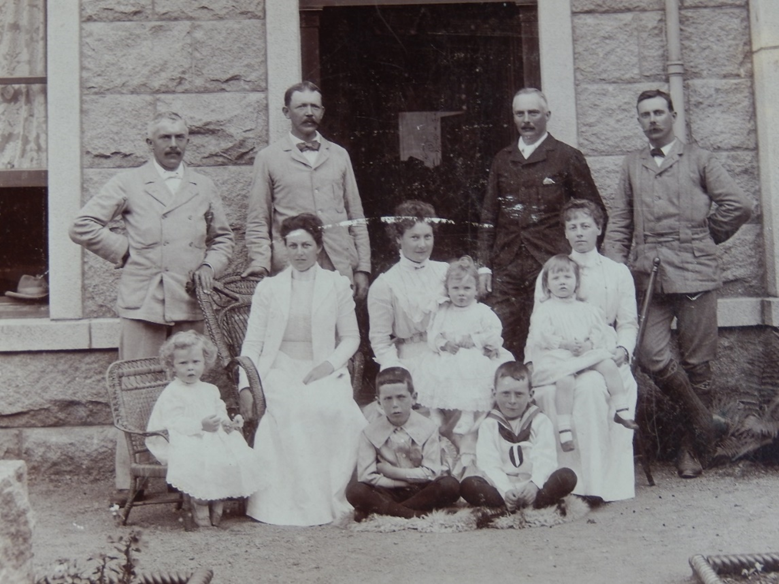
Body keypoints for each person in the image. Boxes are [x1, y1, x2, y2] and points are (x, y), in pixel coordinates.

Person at [69, 111, 234, 503]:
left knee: (190, 392)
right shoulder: (129, 182)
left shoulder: (203, 184)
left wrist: (210, 265)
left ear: (188, 141)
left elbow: (224, 238)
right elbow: (82, 224)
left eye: (180, 137)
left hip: (188, 300)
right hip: (143, 300)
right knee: (137, 392)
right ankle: (130, 481)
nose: (173, 144)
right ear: (150, 144)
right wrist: (125, 252)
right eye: (165, 138)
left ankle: (189, 478)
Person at [602, 89, 752, 478]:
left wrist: (705, 237)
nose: (652, 120)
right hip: (650, 273)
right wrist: (615, 268)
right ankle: (707, 419)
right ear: (638, 121)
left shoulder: (700, 160)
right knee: (650, 353)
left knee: (697, 363)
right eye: (645, 115)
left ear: (673, 115)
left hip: (697, 273)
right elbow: (620, 220)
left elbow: (739, 205)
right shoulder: (632, 164)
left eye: (659, 112)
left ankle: (693, 449)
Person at [238, 213, 367, 526]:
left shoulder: (336, 285)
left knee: (336, 409)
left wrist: (328, 365)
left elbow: (351, 338)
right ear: (284, 247)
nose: (298, 252)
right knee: (293, 411)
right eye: (292, 245)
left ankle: (330, 497)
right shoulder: (269, 289)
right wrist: (245, 385)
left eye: (306, 245)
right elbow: (252, 344)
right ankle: (291, 504)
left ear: (319, 247)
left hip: (322, 366)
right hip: (279, 367)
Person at [477, 87, 606, 358]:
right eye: (520, 113)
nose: (526, 120)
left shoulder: (566, 157)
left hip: (549, 263)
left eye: (533, 113)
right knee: (500, 335)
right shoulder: (503, 159)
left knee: (548, 338)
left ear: (547, 115)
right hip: (507, 265)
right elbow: (488, 215)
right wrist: (484, 266)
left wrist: (580, 259)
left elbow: (594, 212)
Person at [243, 81, 371, 300]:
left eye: (315, 107)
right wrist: (261, 263)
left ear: (322, 111)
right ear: (286, 112)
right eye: (301, 107)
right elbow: (258, 219)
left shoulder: (339, 155)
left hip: (337, 264)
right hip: (292, 263)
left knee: (340, 331)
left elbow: (356, 216)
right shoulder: (269, 157)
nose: (309, 113)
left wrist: (362, 268)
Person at [146, 331, 262, 528]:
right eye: (183, 363)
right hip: (185, 438)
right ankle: (201, 508)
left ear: (205, 362)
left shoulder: (210, 390)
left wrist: (227, 423)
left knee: (233, 455)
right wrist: (201, 425)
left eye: (195, 362)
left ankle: (219, 502)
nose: (190, 368)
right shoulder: (173, 392)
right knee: (199, 461)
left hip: (212, 437)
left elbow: (219, 412)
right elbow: (173, 422)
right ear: (172, 366)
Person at [526, 255, 638, 452]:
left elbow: (598, 331)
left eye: (567, 277)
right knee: (565, 380)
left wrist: (588, 344)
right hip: (558, 356)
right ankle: (564, 429)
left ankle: (621, 409)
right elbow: (541, 336)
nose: (562, 282)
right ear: (547, 284)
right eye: (556, 278)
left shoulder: (587, 309)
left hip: (582, 354)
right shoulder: (545, 310)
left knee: (607, 363)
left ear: (577, 282)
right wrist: (564, 343)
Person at [414, 255, 513, 463]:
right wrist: (442, 344)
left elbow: (496, 335)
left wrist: (476, 339)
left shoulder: (482, 312)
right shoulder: (442, 312)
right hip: (448, 354)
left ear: (476, 289)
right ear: (447, 289)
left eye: (467, 289)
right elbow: (432, 336)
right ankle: (435, 411)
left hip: (472, 356)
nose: (461, 294)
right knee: (430, 368)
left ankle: (468, 414)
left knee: (471, 367)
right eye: (456, 288)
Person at [346, 367, 460, 521]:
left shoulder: (428, 427)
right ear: (378, 401)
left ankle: (389, 511)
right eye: (387, 399)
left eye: (401, 397)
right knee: (355, 491)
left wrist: (392, 472)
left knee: (450, 485)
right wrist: (396, 482)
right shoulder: (369, 432)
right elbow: (366, 476)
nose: (395, 405)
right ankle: (412, 513)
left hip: (421, 489)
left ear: (414, 397)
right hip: (388, 489)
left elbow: (431, 472)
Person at [460, 362, 577, 511]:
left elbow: (545, 458)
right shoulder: (489, 424)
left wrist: (534, 485)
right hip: (501, 488)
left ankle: (531, 501)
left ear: (531, 395)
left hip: (533, 486)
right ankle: (510, 503)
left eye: (519, 394)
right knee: (468, 485)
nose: (512, 401)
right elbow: (489, 463)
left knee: (567, 476)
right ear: (494, 393)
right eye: (505, 393)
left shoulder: (540, 421)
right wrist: (506, 490)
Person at [367, 200, 449, 377]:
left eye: (427, 236)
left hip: (448, 352)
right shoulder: (385, 284)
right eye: (414, 237)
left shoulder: (446, 272)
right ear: (398, 238)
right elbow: (380, 341)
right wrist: (394, 368)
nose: (422, 245)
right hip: (409, 358)